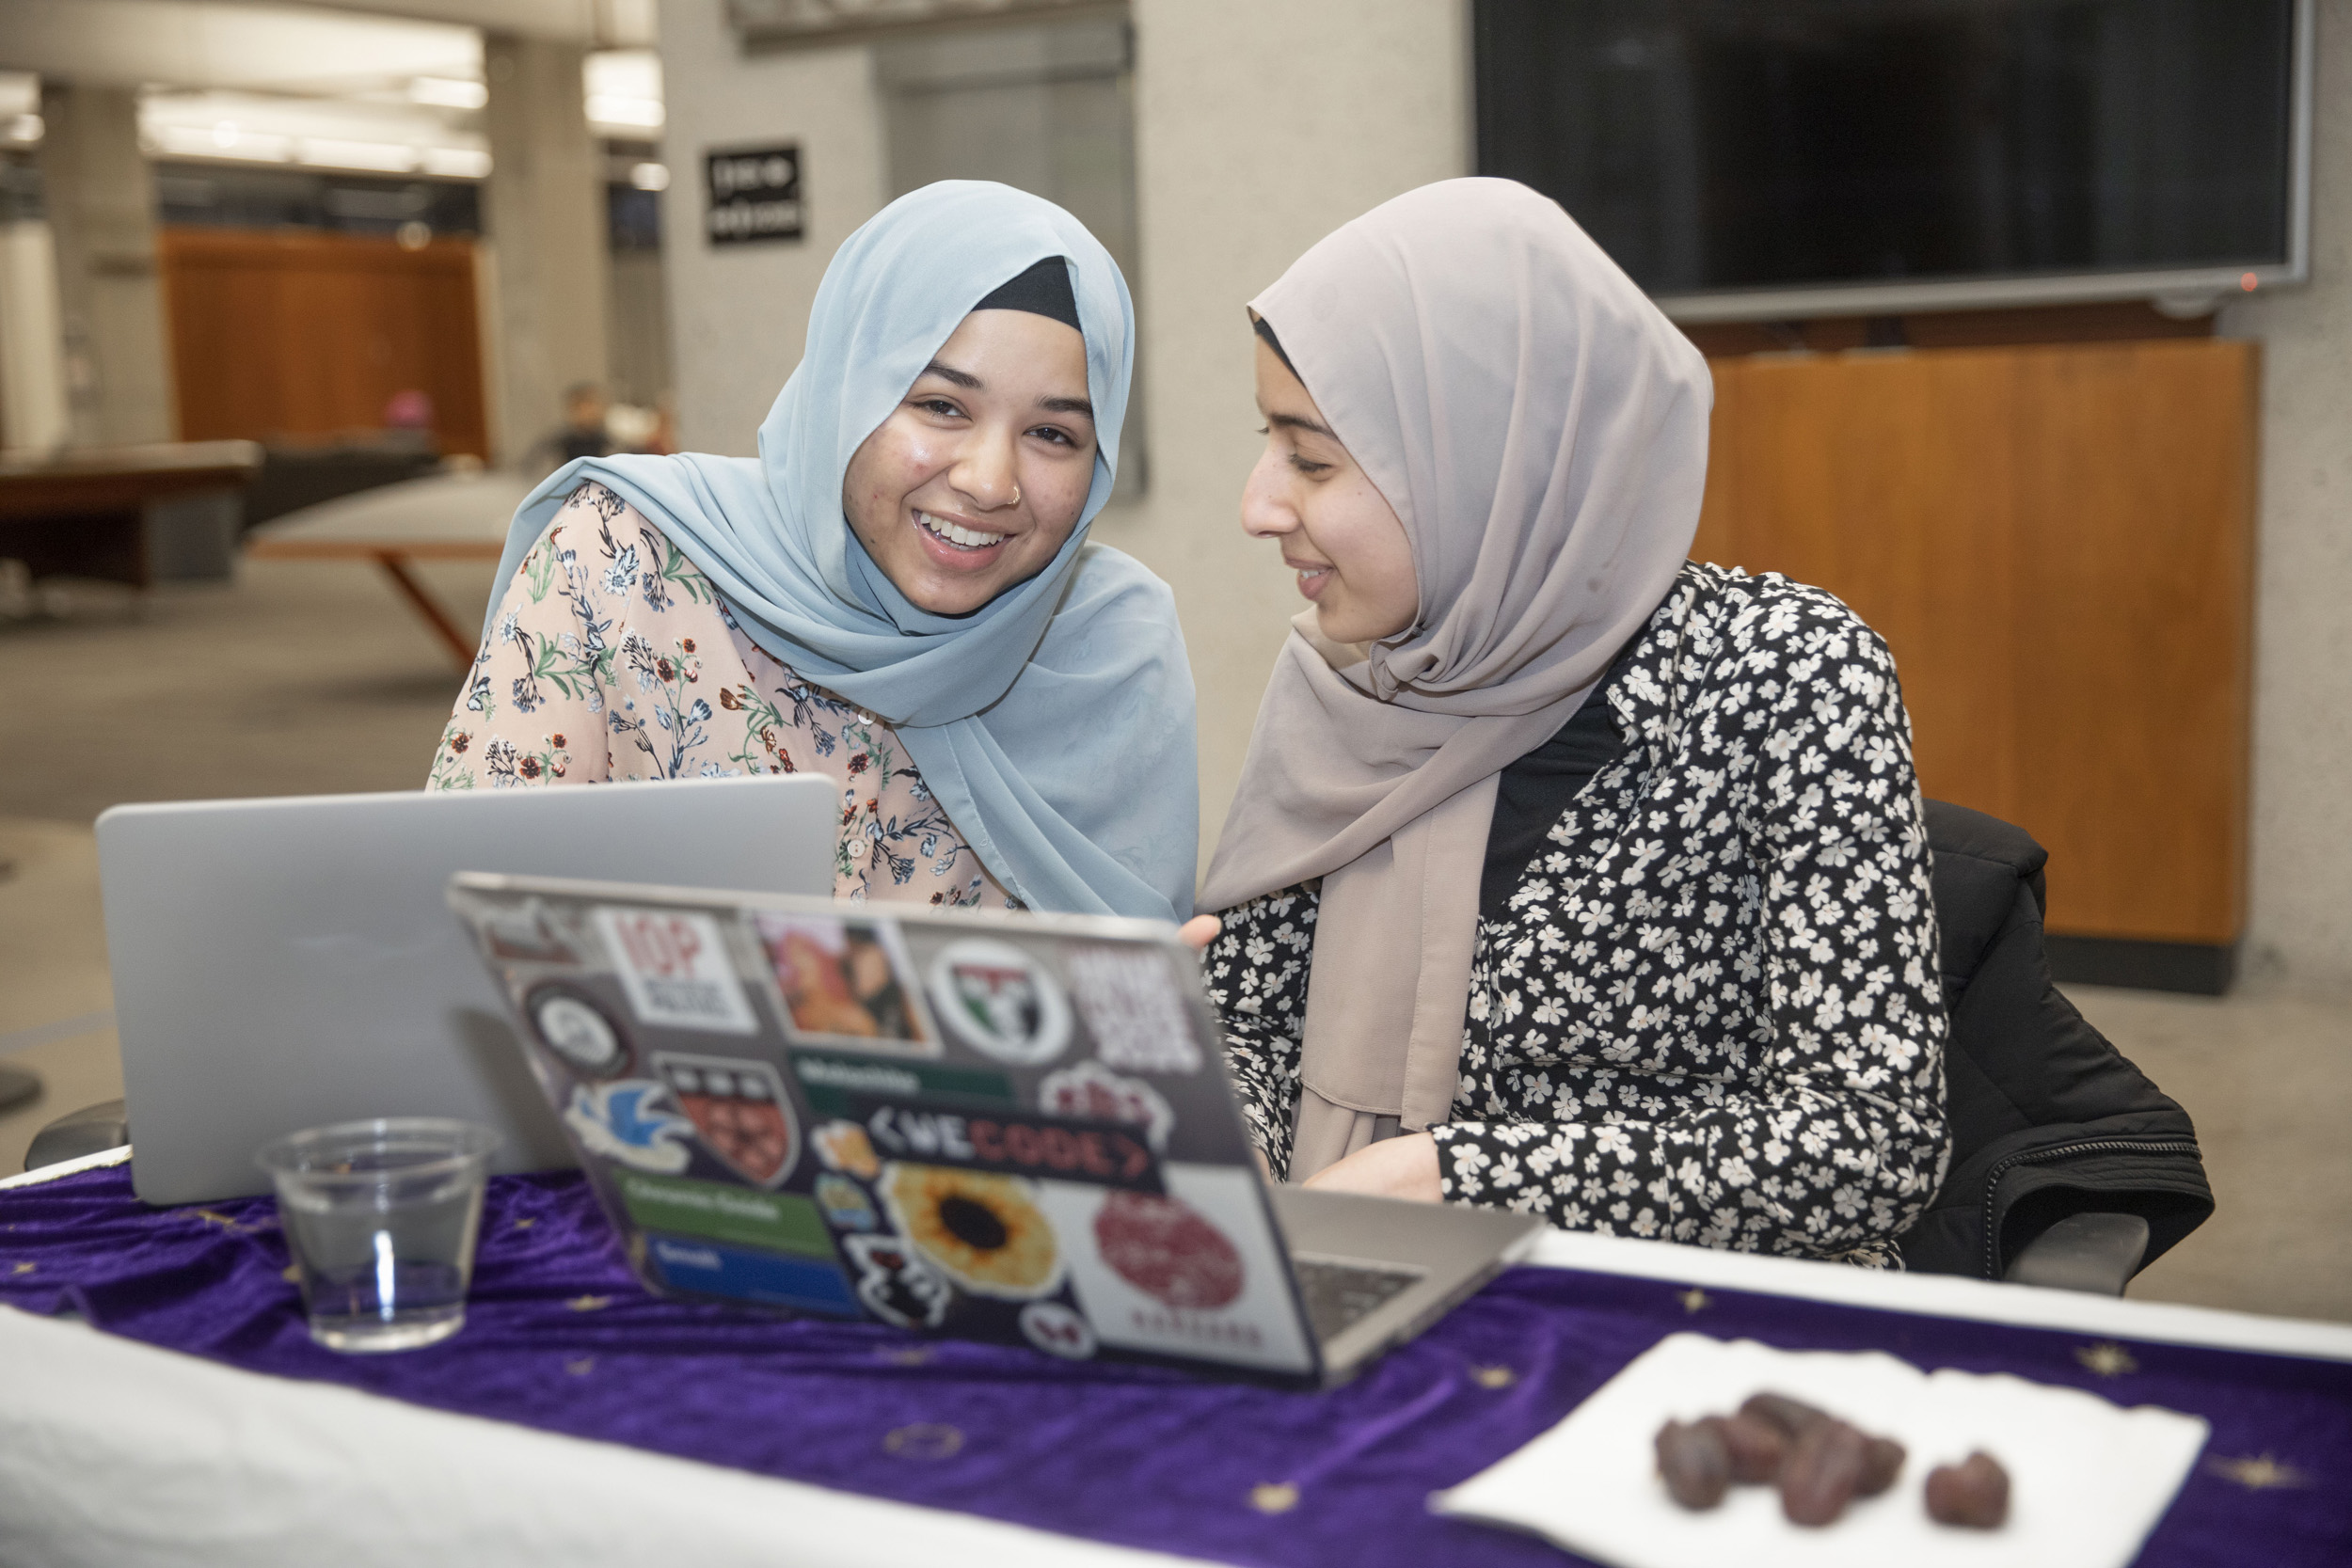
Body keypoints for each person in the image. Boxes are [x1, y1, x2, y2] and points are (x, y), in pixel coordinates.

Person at [1197, 179, 1949, 1264]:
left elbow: (1868, 1144)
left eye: (1311, 458)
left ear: (1492, 466)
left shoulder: (1781, 672)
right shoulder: (1345, 683)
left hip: (1696, 1330)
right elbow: (1254, 1024)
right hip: (1363, 1283)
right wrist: (1234, 1141)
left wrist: (1457, 1177)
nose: (1258, 505)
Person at [429, 182, 1198, 922]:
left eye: (1053, 434)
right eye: (940, 405)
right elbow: (456, 911)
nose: (990, 482)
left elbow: (1133, 997)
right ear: (846, 387)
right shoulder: (623, 555)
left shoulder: (1108, 647)